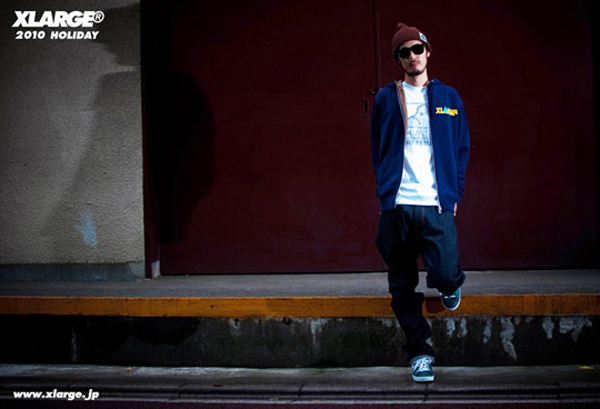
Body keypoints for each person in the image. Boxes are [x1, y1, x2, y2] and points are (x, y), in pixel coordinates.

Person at [370, 23, 470, 383]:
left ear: (427, 52)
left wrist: (453, 194)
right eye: (404, 52)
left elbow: (461, 148)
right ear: (398, 59)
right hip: (397, 207)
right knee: (401, 286)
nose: (412, 56)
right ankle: (420, 354)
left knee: (443, 272)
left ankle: (450, 283)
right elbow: (377, 148)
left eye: (417, 49)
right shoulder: (386, 98)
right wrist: (386, 192)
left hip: (434, 203)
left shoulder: (449, 98)